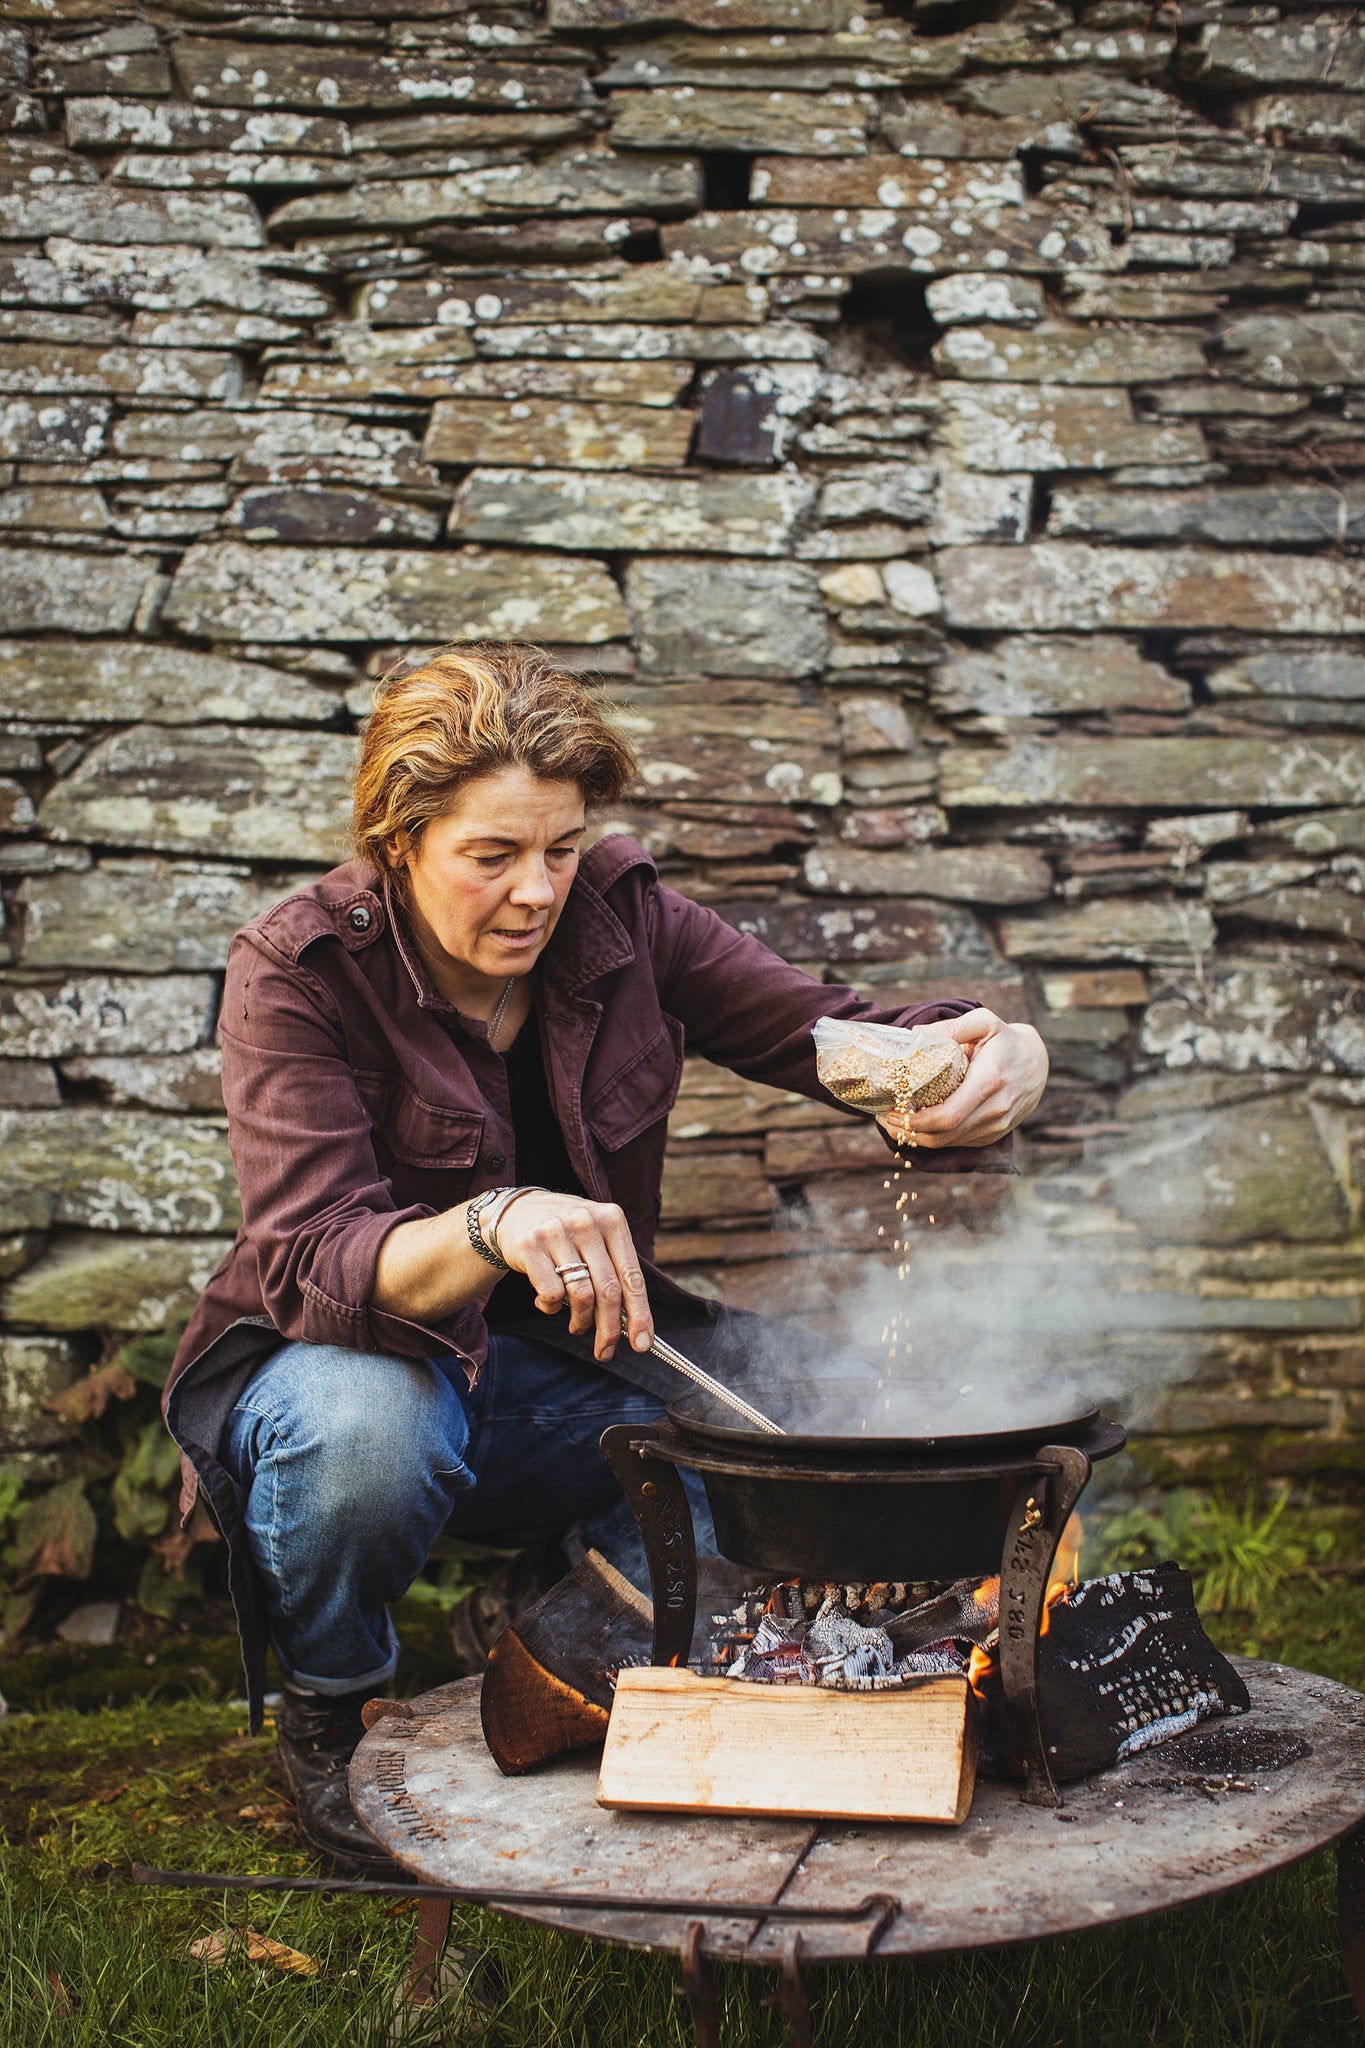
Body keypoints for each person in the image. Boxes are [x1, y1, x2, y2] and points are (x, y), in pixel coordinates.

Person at [165, 643, 1047, 1871]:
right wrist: (493, 1221)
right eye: (491, 855)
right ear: (398, 840)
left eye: (561, 847)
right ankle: (336, 1701)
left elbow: (829, 1028)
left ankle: (541, 1620)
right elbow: (316, 1253)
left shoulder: (622, 919)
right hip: (359, 1370)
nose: (536, 891)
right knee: (366, 1429)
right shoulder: (298, 970)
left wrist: (995, 1055)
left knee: (816, 1461)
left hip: (571, 1371)